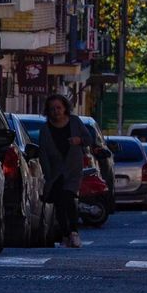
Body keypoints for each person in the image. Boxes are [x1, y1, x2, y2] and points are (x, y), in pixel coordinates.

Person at [39, 93, 92, 249]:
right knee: (59, 204)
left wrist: (79, 141)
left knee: (68, 198)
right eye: (52, 109)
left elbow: (89, 138)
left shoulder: (75, 122)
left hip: (73, 170)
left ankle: (74, 233)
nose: (56, 111)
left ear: (65, 109)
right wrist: (48, 176)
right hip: (55, 173)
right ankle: (65, 234)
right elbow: (43, 154)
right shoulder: (45, 130)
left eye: (59, 108)